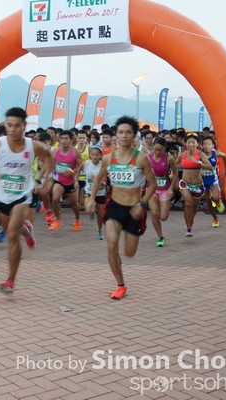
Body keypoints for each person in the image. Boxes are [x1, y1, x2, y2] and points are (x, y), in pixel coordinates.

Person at [0, 107, 54, 293]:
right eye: (9, 125)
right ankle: (26, 231)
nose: (12, 129)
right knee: (10, 230)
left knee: (11, 236)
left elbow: (49, 156)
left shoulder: (33, 146)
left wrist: (47, 178)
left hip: (23, 195)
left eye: (17, 126)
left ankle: (10, 280)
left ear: (24, 126)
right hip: (2, 195)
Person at [87, 116, 157, 300]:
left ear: (134, 136)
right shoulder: (108, 159)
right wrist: (91, 199)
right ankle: (120, 285)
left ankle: (122, 257)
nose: (124, 136)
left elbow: (153, 183)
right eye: (120, 132)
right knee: (111, 245)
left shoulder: (141, 159)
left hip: (134, 210)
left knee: (129, 253)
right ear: (115, 136)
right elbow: (98, 179)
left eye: (128, 132)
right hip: (114, 206)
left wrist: (142, 204)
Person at [176, 133, 213, 236]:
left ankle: (190, 222)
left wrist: (198, 162)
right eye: (189, 142)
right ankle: (188, 228)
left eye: (193, 142)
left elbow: (210, 167)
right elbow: (174, 164)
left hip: (197, 185)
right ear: (186, 144)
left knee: (194, 207)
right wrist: (171, 172)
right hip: (185, 183)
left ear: (197, 144)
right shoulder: (182, 154)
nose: (191, 144)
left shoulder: (200, 154)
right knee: (188, 203)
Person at [49, 130, 83, 231]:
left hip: (71, 182)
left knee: (74, 205)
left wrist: (72, 171)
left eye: (66, 139)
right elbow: (52, 164)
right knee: (55, 198)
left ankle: (77, 220)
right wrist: (50, 175)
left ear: (71, 140)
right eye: (62, 138)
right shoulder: (56, 151)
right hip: (59, 180)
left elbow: (81, 166)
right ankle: (58, 220)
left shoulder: (75, 152)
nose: (63, 141)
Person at [148, 137, 178, 246]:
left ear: (164, 148)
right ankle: (160, 237)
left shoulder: (169, 158)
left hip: (164, 189)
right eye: (155, 149)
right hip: (151, 189)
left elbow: (175, 173)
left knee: (163, 217)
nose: (157, 152)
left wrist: (171, 188)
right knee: (154, 212)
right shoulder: (148, 157)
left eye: (160, 150)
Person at [201, 136, 226, 228]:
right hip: (203, 180)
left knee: (215, 197)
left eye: (209, 144)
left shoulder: (215, 153)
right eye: (205, 144)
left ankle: (218, 202)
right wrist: (199, 171)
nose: (207, 146)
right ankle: (215, 218)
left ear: (213, 145)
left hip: (213, 179)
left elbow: (225, 156)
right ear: (202, 145)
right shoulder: (200, 154)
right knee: (208, 201)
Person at [83, 145, 107, 240]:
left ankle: (99, 230)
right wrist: (76, 181)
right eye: (92, 155)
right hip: (89, 191)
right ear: (90, 155)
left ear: (100, 155)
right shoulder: (86, 163)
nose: (95, 157)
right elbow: (78, 169)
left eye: (97, 155)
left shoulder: (103, 166)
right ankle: (91, 211)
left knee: (100, 215)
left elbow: (104, 184)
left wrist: (97, 180)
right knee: (88, 210)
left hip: (100, 193)